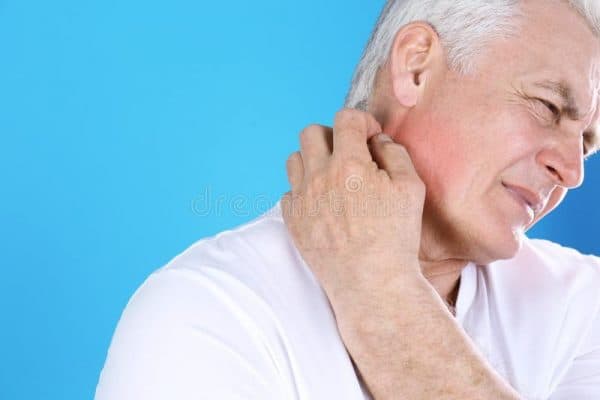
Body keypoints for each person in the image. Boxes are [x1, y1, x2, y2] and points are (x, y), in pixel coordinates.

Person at [95, 0, 600, 399]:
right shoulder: (204, 311)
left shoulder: (583, 307)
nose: (574, 171)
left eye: (587, 142)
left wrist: (383, 292)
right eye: (548, 106)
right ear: (417, 67)